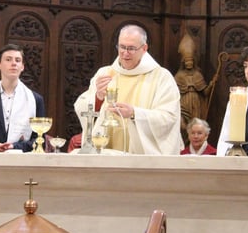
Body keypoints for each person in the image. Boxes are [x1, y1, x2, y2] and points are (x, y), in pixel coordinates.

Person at [74, 24, 183, 155]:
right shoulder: (105, 73)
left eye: (131, 48)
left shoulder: (161, 77)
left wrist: (134, 113)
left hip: (141, 157)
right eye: (122, 47)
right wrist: (98, 98)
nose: (125, 53)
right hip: (105, 153)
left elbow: (169, 118)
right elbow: (83, 109)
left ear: (144, 48)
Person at [0, 44, 45, 152]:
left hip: (21, 160)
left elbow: (40, 140)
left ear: (22, 66)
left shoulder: (35, 100)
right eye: (8, 59)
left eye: (18, 60)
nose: (13, 63)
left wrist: (14, 147)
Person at [174, 32, 217, 132]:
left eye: (191, 61)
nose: (189, 63)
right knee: (184, 127)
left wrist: (211, 84)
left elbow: (205, 92)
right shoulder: (179, 76)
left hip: (196, 103)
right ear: (183, 62)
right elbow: (173, 92)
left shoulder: (198, 75)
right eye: (187, 61)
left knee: (196, 125)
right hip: (183, 103)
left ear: (194, 62)